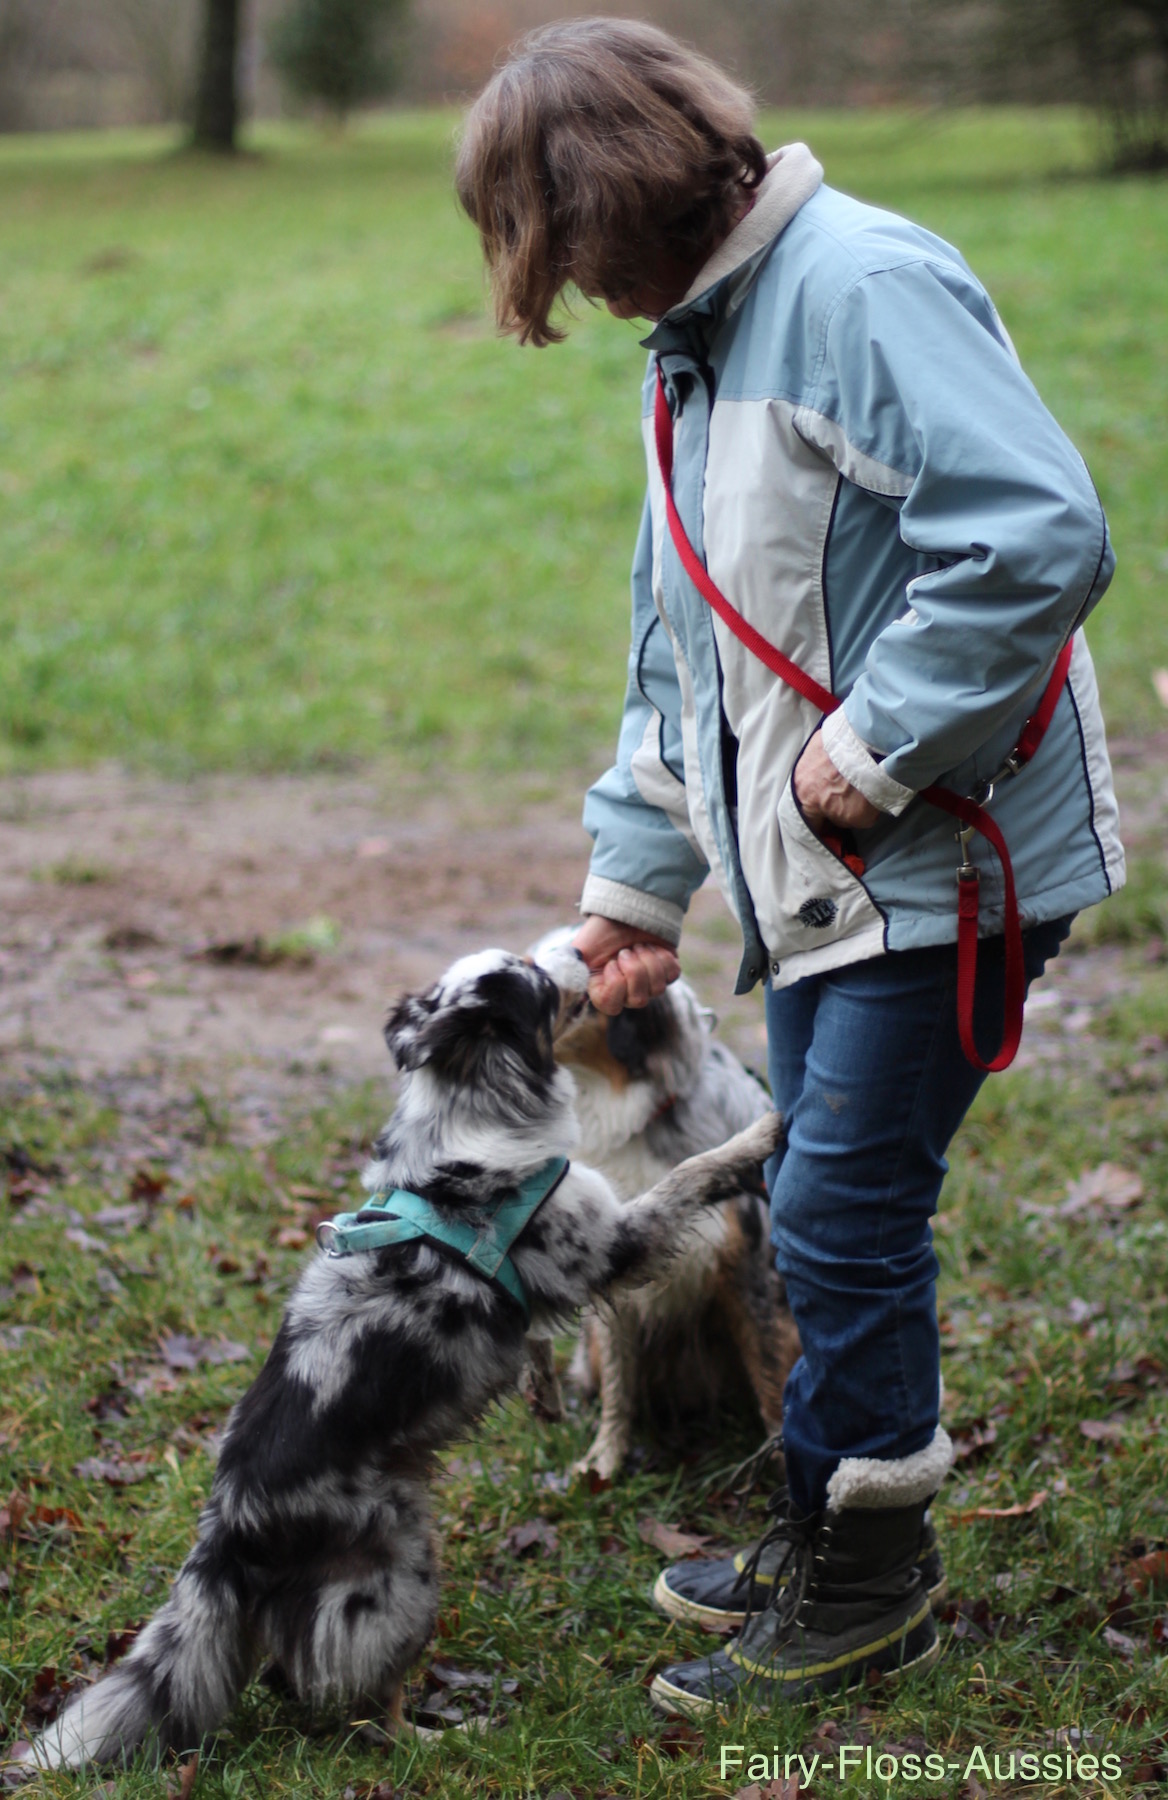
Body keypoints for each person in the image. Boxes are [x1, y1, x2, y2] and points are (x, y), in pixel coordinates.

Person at [455, 18, 1124, 1711]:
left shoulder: (861, 289)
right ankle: (826, 1517)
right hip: (824, 879)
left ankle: (870, 1589)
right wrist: (632, 890)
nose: (570, 288)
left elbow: (1039, 533)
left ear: (618, 199)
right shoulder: (699, 344)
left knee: (837, 1214)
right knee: (819, 1200)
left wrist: (876, 745)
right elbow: (675, 648)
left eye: (560, 249)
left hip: (945, 855)